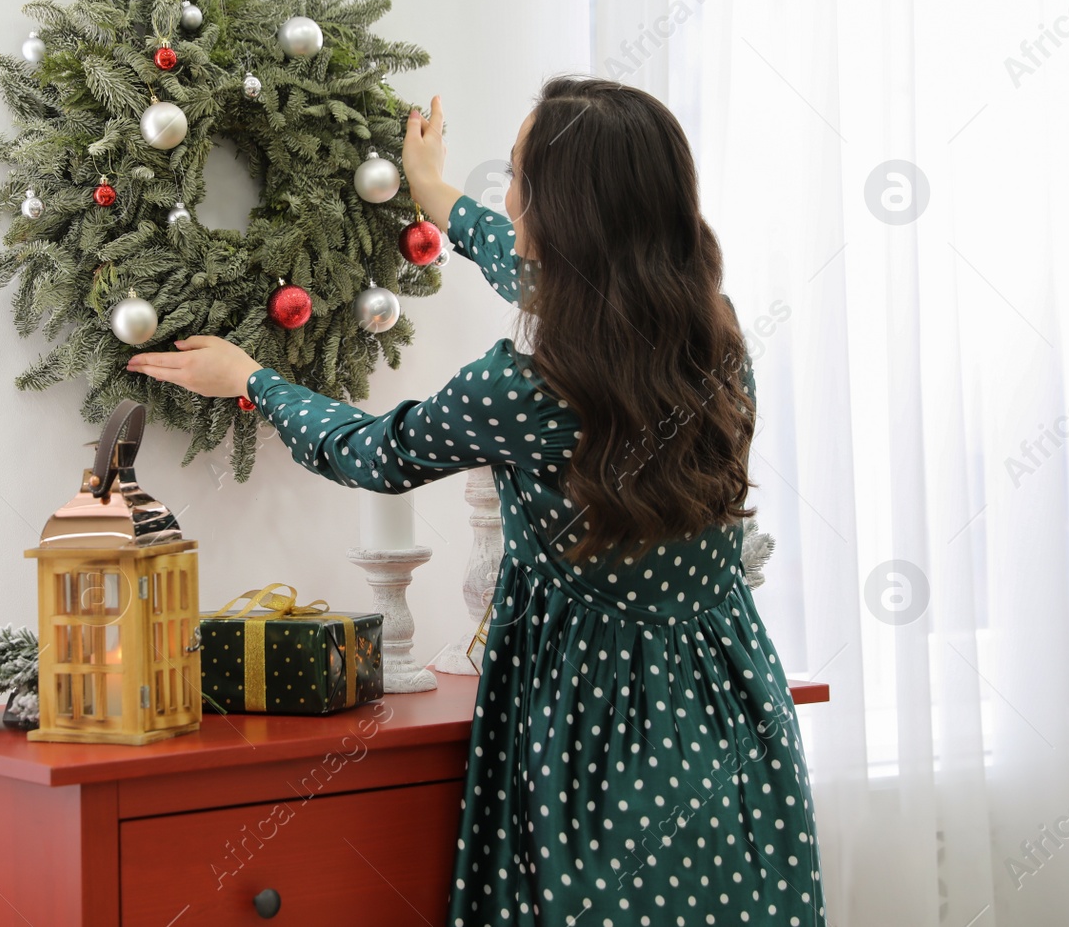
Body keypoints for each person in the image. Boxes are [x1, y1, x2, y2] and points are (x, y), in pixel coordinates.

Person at [126, 76, 826, 927]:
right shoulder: (715, 339)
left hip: (597, 728)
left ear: (559, 212)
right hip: (731, 708)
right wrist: (438, 198)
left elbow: (372, 453)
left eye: (520, 179)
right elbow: (552, 276)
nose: (511, 197)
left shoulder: (522, 388)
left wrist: (252, 379)